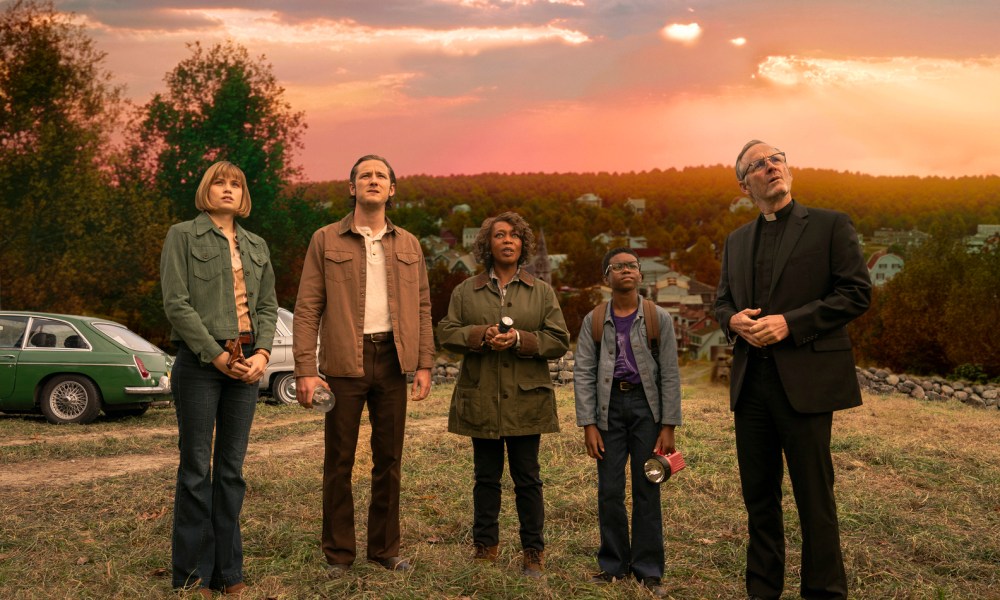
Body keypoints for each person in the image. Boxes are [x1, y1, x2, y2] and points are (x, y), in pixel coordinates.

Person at [714, 140, 872, 600]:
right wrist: (732, 321)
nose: (770, 167)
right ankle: (762, 590)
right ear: (746, 186)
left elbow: (856, 293)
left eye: (776, 159)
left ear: (787, 169)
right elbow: (722, 300)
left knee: (814, 499)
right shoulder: (737, 239)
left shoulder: (829, 225)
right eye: (758, 166)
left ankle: (823, 593)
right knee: (759, 500)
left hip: (805, 382)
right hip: (751, 386)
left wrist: (791, 323)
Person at [293, 154, 434, 576]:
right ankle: (338, 554)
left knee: (389, 458)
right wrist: (304, 369)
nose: (373, 181)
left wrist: (424, 363)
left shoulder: (409, 244)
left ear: (392, 190)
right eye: (364, 175)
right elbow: (306, 308)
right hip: (342, 363)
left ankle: (384, 550)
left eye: (381, 176)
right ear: (352, 187)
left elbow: (424, 307)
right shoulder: (325, 239)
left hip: (393, 361)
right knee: (339, 459)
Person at [160, 161, 278, 597]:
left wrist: (262, 353)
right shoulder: (182, 235)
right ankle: (192, 574)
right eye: (219, 182)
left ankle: (228, 573)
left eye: (235, 184)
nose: (227, 189)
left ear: (243, 195)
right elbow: (176, 303)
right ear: (205, 190)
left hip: (246, 363)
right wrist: (213, 355)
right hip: (199, 364)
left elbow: (267, 306)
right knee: (196, 468)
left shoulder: (257, 245)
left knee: (231, 470)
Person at [437, 211, 570, 578]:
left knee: (528, 478)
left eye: (514, 235)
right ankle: (485, 547)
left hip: (527, 400)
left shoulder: (541, 291)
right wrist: (480, 334)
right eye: (499, 235)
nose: (508, 240)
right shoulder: (466, 290)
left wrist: (519, 339)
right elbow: (446, 332)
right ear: (488, 244)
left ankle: (533, 551)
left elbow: (559, 340)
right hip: (483, 397)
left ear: (523, 244)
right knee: (486, 477)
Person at [573, 247, 682, 597]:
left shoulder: (657, 317)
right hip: (608, 409)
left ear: (640, 274)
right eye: (618, 267)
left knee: (648, 487)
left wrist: (668, 424)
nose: (626, 271)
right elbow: (584, 374)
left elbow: (670, 373)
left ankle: (649, 569)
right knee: (609, 490)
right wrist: (588, 424)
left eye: (632, 266)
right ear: (607, 276)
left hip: (646, 408)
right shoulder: (593, 320)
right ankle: (613, 565)